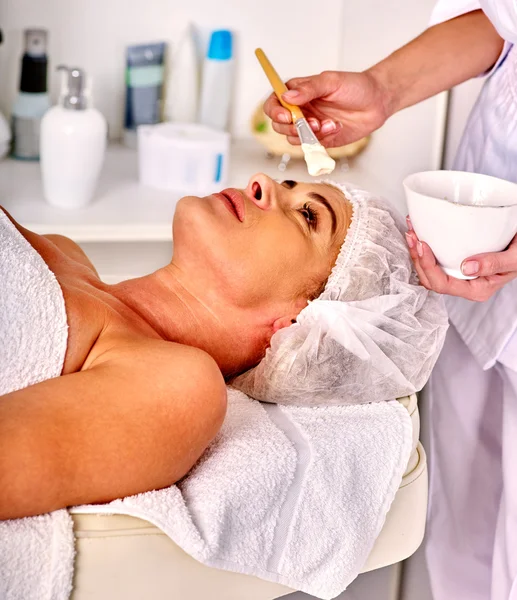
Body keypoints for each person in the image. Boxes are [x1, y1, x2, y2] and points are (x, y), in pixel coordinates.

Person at [264, 2, 517, 599]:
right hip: (473, 281)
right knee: (458, 544)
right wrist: (381, 89)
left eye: (307, 210)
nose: (266, 183)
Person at [0, 175, 352, 521]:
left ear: (300, 323)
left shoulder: (177, 385)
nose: (260, 181)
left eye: (308, 215)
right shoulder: (62, 250)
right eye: (287, 183)